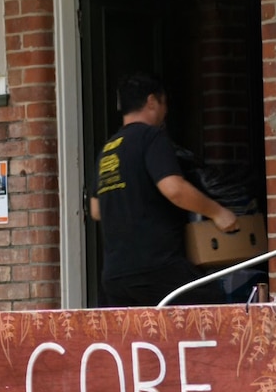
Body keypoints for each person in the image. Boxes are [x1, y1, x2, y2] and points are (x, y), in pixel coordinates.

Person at [89, 73, 239, 306]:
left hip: (114, 275)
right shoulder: (151, 137)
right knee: (214, 308)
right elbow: (174, 188)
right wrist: (218, 213)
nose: (166, 111)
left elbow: (96, 210)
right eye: (164, 103)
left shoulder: (108, 149)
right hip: (156, 267)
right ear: (152, 101)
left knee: (136, 337)